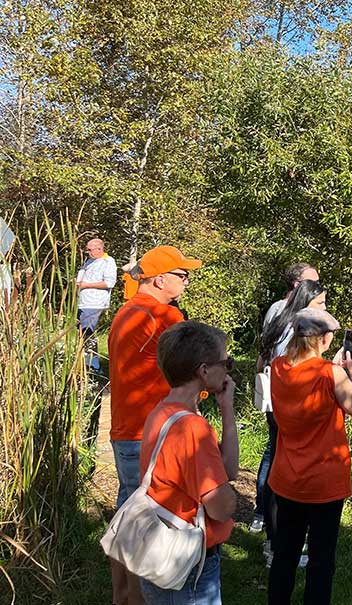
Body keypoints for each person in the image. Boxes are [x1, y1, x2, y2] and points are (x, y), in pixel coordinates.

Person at [107, 245, 202, 605]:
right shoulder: (166, 317)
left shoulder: (125, 312)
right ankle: (140, 598)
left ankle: (121, 595)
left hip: (125, 429)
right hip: (157, 432)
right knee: (148, 524)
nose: (187, 280)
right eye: (181, 274)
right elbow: (195, 373)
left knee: (127, 517)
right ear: (159, 279)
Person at [267, 308, 352, 605]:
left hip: (287, 477)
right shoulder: (331, 374)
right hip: (324, 481)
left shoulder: (277, 367)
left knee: (285, 553)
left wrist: (333, 370)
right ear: (324, 339)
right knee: (321, 559)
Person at [138, 321, 239, 604]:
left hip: (160, 549)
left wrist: (226, 407)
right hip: (191, 563)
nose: (228, 369)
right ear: (204, 371)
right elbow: (220, 507)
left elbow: (229, 469)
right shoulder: (193, 429)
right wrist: (230, 500)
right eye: (226, 362)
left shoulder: (161, 413)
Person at [252, 280, 328, 565]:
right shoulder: (295, 329)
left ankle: (275, 543)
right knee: (284, 474)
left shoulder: (280, 317)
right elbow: (296, 368)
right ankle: (282, 546)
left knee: (277, 465)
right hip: (290, 407)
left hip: (276, 404)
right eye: (320, 303)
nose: (324, 308)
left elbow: (263, 361)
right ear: (307, 303)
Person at [76, 238, 117, 372]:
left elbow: (109, 283)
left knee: (88, 332)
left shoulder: (108, 262)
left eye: (90, 249)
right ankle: (84, 361)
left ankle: (93, 365)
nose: (87, 252)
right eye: (87, 249)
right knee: (81, 333)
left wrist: (86, 285)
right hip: (83, 302)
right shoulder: (89, 261)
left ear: (99, 249)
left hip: (94, 302)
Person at [263, 263, 319, 329]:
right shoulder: (280, 308)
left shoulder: (305, 308)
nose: (317, 286)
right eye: (312, 283)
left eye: (318, 282)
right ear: (297, 285)